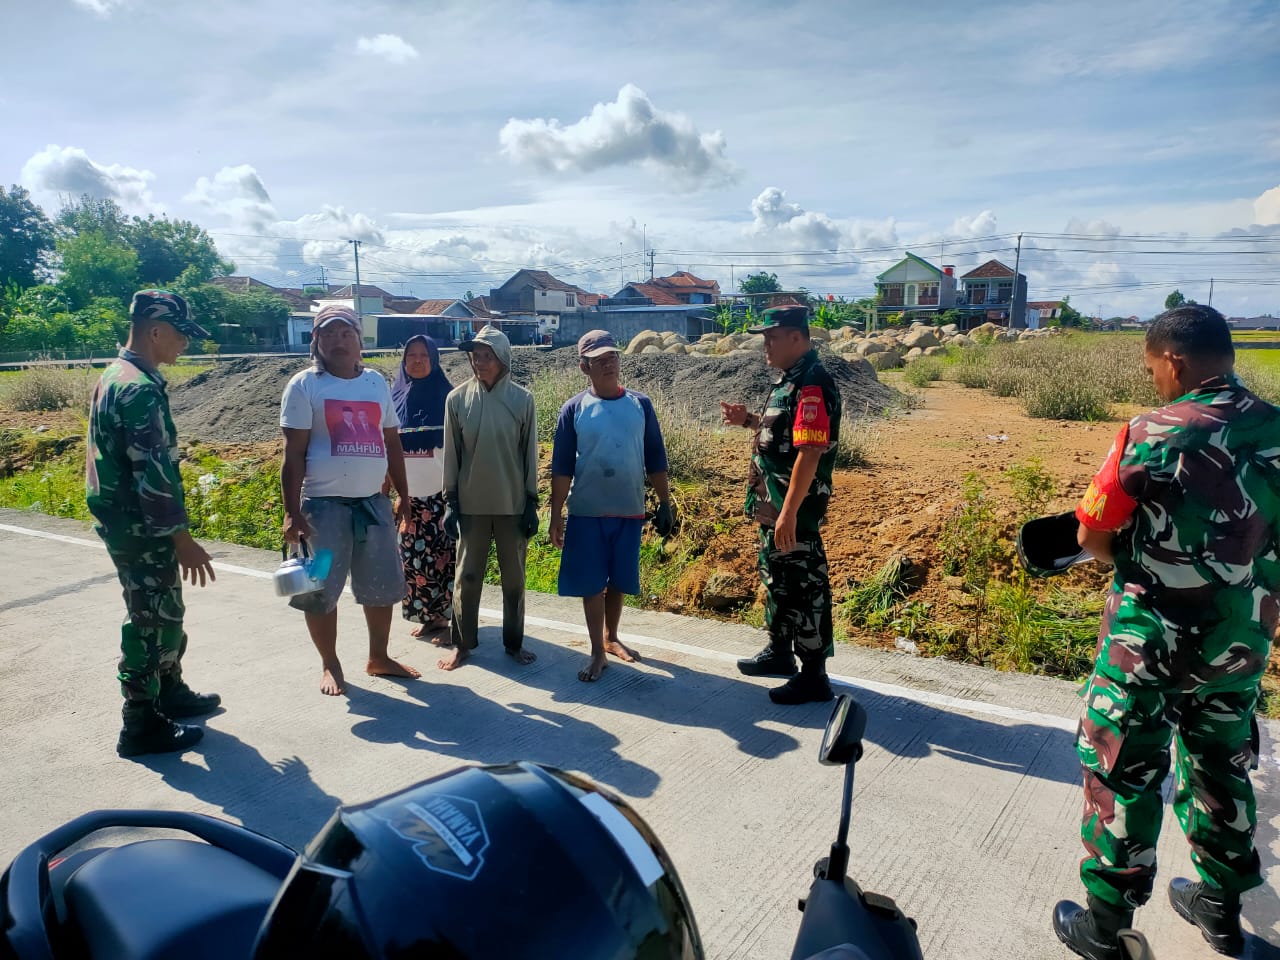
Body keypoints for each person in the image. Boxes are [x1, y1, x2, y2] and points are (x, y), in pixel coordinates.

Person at [1052, 304, 1277, 960]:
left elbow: (1092, 537)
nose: (1154, 380)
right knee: (1220, 769)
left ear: (1173, 360)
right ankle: (1220, 909)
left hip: (1146, 649)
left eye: (1154, 368)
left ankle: (1104, 925)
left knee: (1121, 768)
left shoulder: (1148, 433)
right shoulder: (1277, 431)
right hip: (1239, 646)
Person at [86, 289, 221, 757]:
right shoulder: (138, 388)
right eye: (182, 334)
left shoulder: (116, 374)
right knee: (149, 617)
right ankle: (140, 721)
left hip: (126, 519)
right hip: (141, 524)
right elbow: (152, 472)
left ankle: (169, 690)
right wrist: (182, 539)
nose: (186, 344)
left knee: (165, 608)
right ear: (156, 330)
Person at [279, 304, 421, 696]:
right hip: (322, 512)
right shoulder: (305, 385)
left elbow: (391, 441)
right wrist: (292, 513)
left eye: (346, 334)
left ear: (360, 340)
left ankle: (379, 657)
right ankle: (330, 662)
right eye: (329, 334)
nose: (338, 341)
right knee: (318, 589)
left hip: (371, 507)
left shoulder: (375, 383)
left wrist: (404, 495)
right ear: (316, 341)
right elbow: (292, 455)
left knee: (382, 585)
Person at [720, 305, 842, 705]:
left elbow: (810, 452)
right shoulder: (789, 380)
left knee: (805, 588)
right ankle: (779, 653)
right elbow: (783, 435)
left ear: (796, 337)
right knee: (779, 581)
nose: (765, 344)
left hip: (794, 512)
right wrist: (749, 421)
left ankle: (814, 676)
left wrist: (789, 513)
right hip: (773, 508)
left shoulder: (812, 384)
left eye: (772, 337)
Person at [549, 330, 675, 682]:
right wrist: (557, 513)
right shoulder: (573, 409)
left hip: (629, 507)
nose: (608, 364)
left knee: (618, 580)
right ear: (583, 367)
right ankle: (595, 651)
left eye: (612, 357)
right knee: (591, 583)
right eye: (599, 360)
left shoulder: (641, 405)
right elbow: (561, 467)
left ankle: (612, 637)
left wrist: (665, 502)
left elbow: (655, 456)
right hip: (587, 511)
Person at [440, 324, 539, 670]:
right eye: (475, 355)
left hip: (512, 504)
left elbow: (530, 454)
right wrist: (450, 502)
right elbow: (451, 454)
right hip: (470, 505)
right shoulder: (456, 400)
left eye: (487, 356)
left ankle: (514, 643)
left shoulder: (522, 400)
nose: (479, 362)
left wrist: (532, 502)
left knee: (515, 579)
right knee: (466, 577)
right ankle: (462, 644)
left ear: (503, 359)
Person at [389, 335, 456, 641]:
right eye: (411, 355)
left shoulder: (449, 397)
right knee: (414, 563)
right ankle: (429, 618)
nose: (417, 360)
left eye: (424, 355)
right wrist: (388, 489)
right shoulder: (394, 397)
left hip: (441, 497)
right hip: (408, 499)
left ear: (434, 360)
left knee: (446, 562)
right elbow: (387, 447)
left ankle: (450, 621)